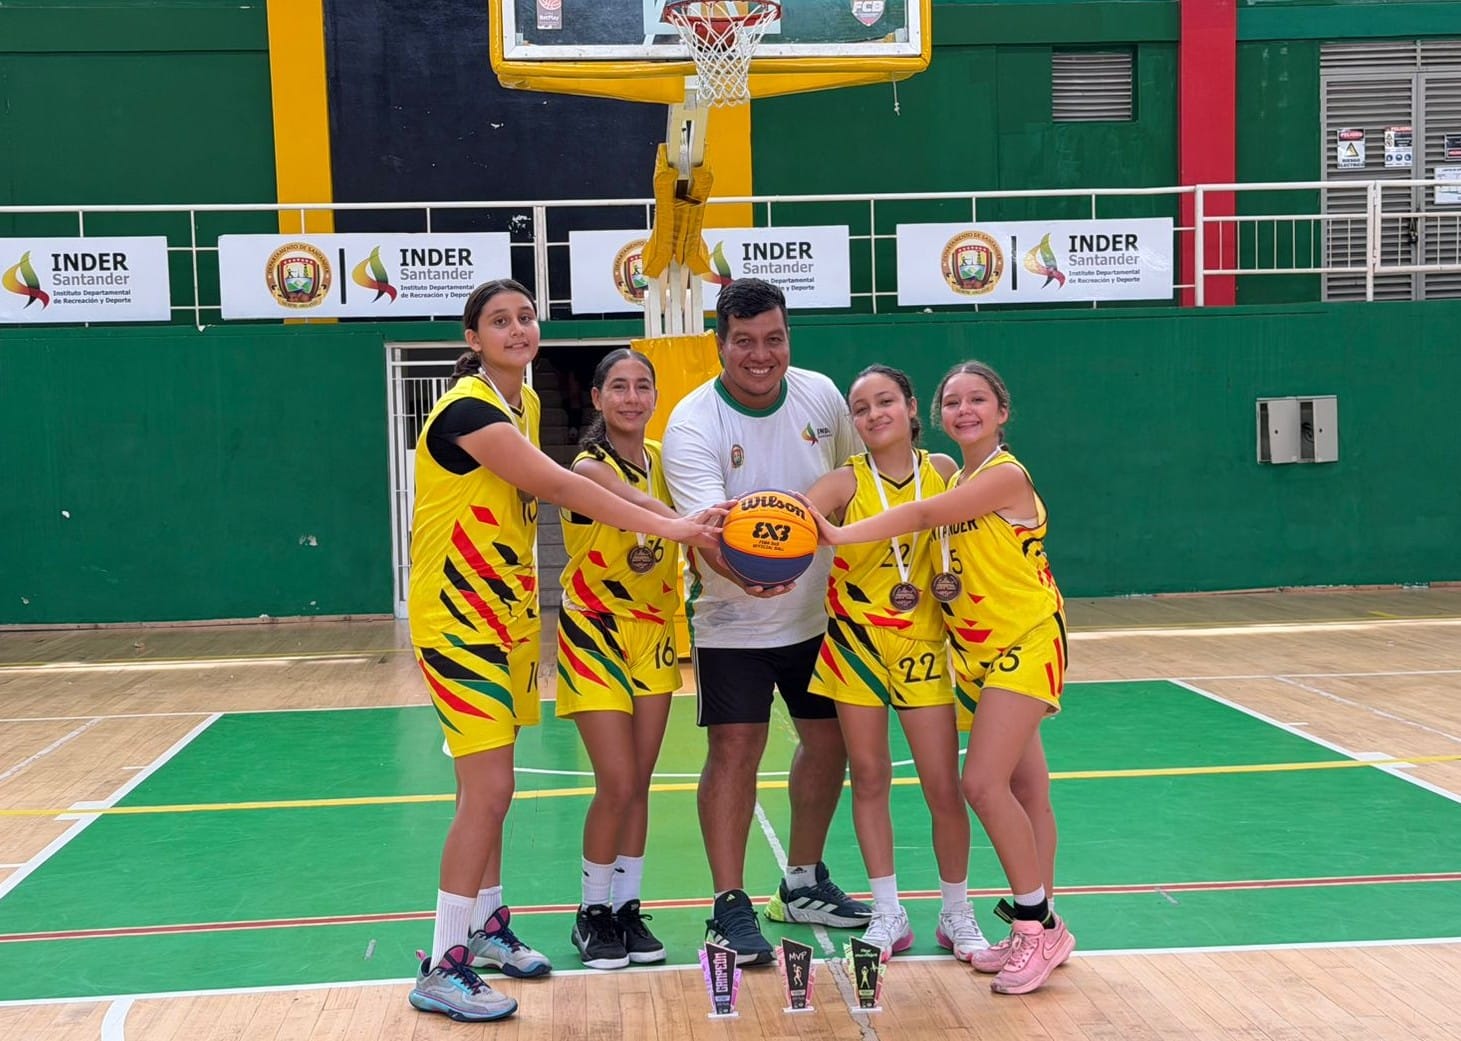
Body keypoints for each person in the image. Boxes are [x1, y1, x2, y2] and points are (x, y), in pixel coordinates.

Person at [407, 280, 721, 1021]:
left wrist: (679, 516)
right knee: (487, 792)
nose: (517, 328)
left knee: (485, 791)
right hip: (459, 620)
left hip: (507, 619)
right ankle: (442, 963)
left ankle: (485, 927)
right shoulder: (470, 409)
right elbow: (557, 485)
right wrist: (679, 530)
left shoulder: (525, 403)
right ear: (472, 337)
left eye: (524, 317)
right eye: (498, 321)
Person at [811, 360, 1075, 996]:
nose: (964, 409)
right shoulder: (968, 471)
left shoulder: (989, 475)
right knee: (1026, 789)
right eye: (954, 400)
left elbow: (924, 517)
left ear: (1001, 411)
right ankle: (1041, 924)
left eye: (977, 399)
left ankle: (1033, 926)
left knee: (977, 783)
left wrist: (840, 534)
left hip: (1022, 639)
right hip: (971, 652)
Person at [661, 277, 871, 967]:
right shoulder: (693, 423)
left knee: (831, 745)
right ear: (720, 343)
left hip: (819, 615)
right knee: (735, 753)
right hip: (733, 625)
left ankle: (803, 880)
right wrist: (745, 576)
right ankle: (728, 904)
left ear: (787, 337)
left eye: (773, 339)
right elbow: (704, 533)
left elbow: (849, 480)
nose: (761, 355)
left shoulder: (820, 395)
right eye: (744, 341)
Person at [801, 365, 989, 963]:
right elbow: (785, 522)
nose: (874, 413)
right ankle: (887, 912)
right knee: (870, 776)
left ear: (911, 408)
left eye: (886, 401)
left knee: (942, 786)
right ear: (853, 423)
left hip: (925, 648)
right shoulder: (841, 482)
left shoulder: (942, 472)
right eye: (861, 408)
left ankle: (957, 912)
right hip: (855, 648)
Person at [555, 349, 685, 970]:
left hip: (654, 634)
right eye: (620, 388)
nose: (633, 397)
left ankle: (628, 910)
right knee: (617, 781)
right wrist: (695, 523)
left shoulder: (664, 459)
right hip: (596, 631)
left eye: (643, 387)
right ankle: (592, 914)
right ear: (598, 398)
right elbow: (646, 514)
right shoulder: (587, 465)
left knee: (642, 783)